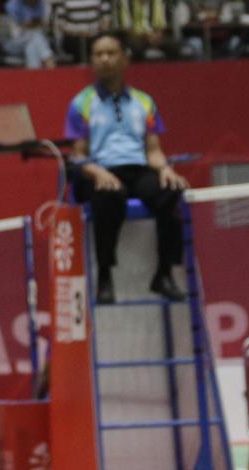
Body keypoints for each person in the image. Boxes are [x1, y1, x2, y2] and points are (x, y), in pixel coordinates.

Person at [65, 32, 188, 304]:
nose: (105, 59)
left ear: (124, 59)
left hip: (137, 168)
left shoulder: (144, 101)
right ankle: (105, 277)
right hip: (99, 170)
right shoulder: (81, 103)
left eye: (111, 53)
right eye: (98, 54)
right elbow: (78, 154)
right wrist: (98, 172)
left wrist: (166, 169)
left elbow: (153, 150)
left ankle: (164, 273)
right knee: (109, 195)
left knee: (169, 191)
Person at [5, 0, 56, 69]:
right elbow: (14, 33)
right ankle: (49, 60)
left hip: (38, 43)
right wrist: (28, 25)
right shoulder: (11, 7)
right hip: (15, 44)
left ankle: (33, 73)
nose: (31, 1)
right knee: (35, 35)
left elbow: (48, 30)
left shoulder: (45, 7)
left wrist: (32, 24)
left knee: (31, 46)